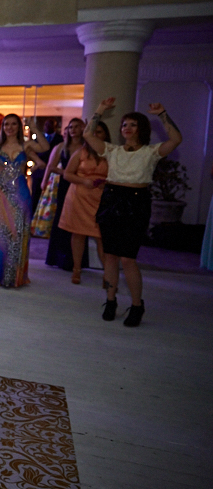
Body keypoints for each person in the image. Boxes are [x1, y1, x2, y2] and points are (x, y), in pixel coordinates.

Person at [84, 98, 182, 327]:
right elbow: (89, 136)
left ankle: (137, 305)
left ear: (142, 129)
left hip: (136, 203)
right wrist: (100, 110)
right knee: (110, 256)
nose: (127, 128)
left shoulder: (151, 152)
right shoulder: (112, 150)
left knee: (128, 259)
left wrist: (162, 114)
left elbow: (176, 139)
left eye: (133, 125)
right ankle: (110, 301)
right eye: (124, 125)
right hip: (111, 200)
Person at [0, 113, 49, 287]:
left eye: (14, 124)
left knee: (16, 233)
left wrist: (35, 128)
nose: (10, 127)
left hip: (20, 194)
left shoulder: (25, 145)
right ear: (3, 127)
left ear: (19, 127)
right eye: (7, 124)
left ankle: (11, 275)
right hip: (0, 193)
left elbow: (45, 147)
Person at [60, 121, 111, 284]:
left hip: (101, 198)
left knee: (102, 236)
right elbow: (67, 174)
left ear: (106, 135)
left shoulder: (111, 153)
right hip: (80, 197)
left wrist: (106, 182)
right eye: (93, 132)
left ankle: (107, 273)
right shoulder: (81, 152)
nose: (96, 135)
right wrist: (83, 181)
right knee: (78, 234)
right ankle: (76, 269)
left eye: (100, 132)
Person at [45, 118, 86, 271]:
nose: (73, 130)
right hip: (65, 184)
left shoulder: (86, 147)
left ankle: (77, 260)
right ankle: (58, 257)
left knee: (80, 219)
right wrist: (68, 173)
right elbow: (51, 166)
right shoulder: (62, 147)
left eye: (76, 127)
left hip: (81, 185)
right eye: (70, 127)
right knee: (62, 217)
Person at [30, 118, 63, 212]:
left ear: (55, 127)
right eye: (46, 125)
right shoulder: (38, 139)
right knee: (35, 195)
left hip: (52, 171)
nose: (47, 127)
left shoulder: (59, 139)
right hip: (38, 170)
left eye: (50, 125)